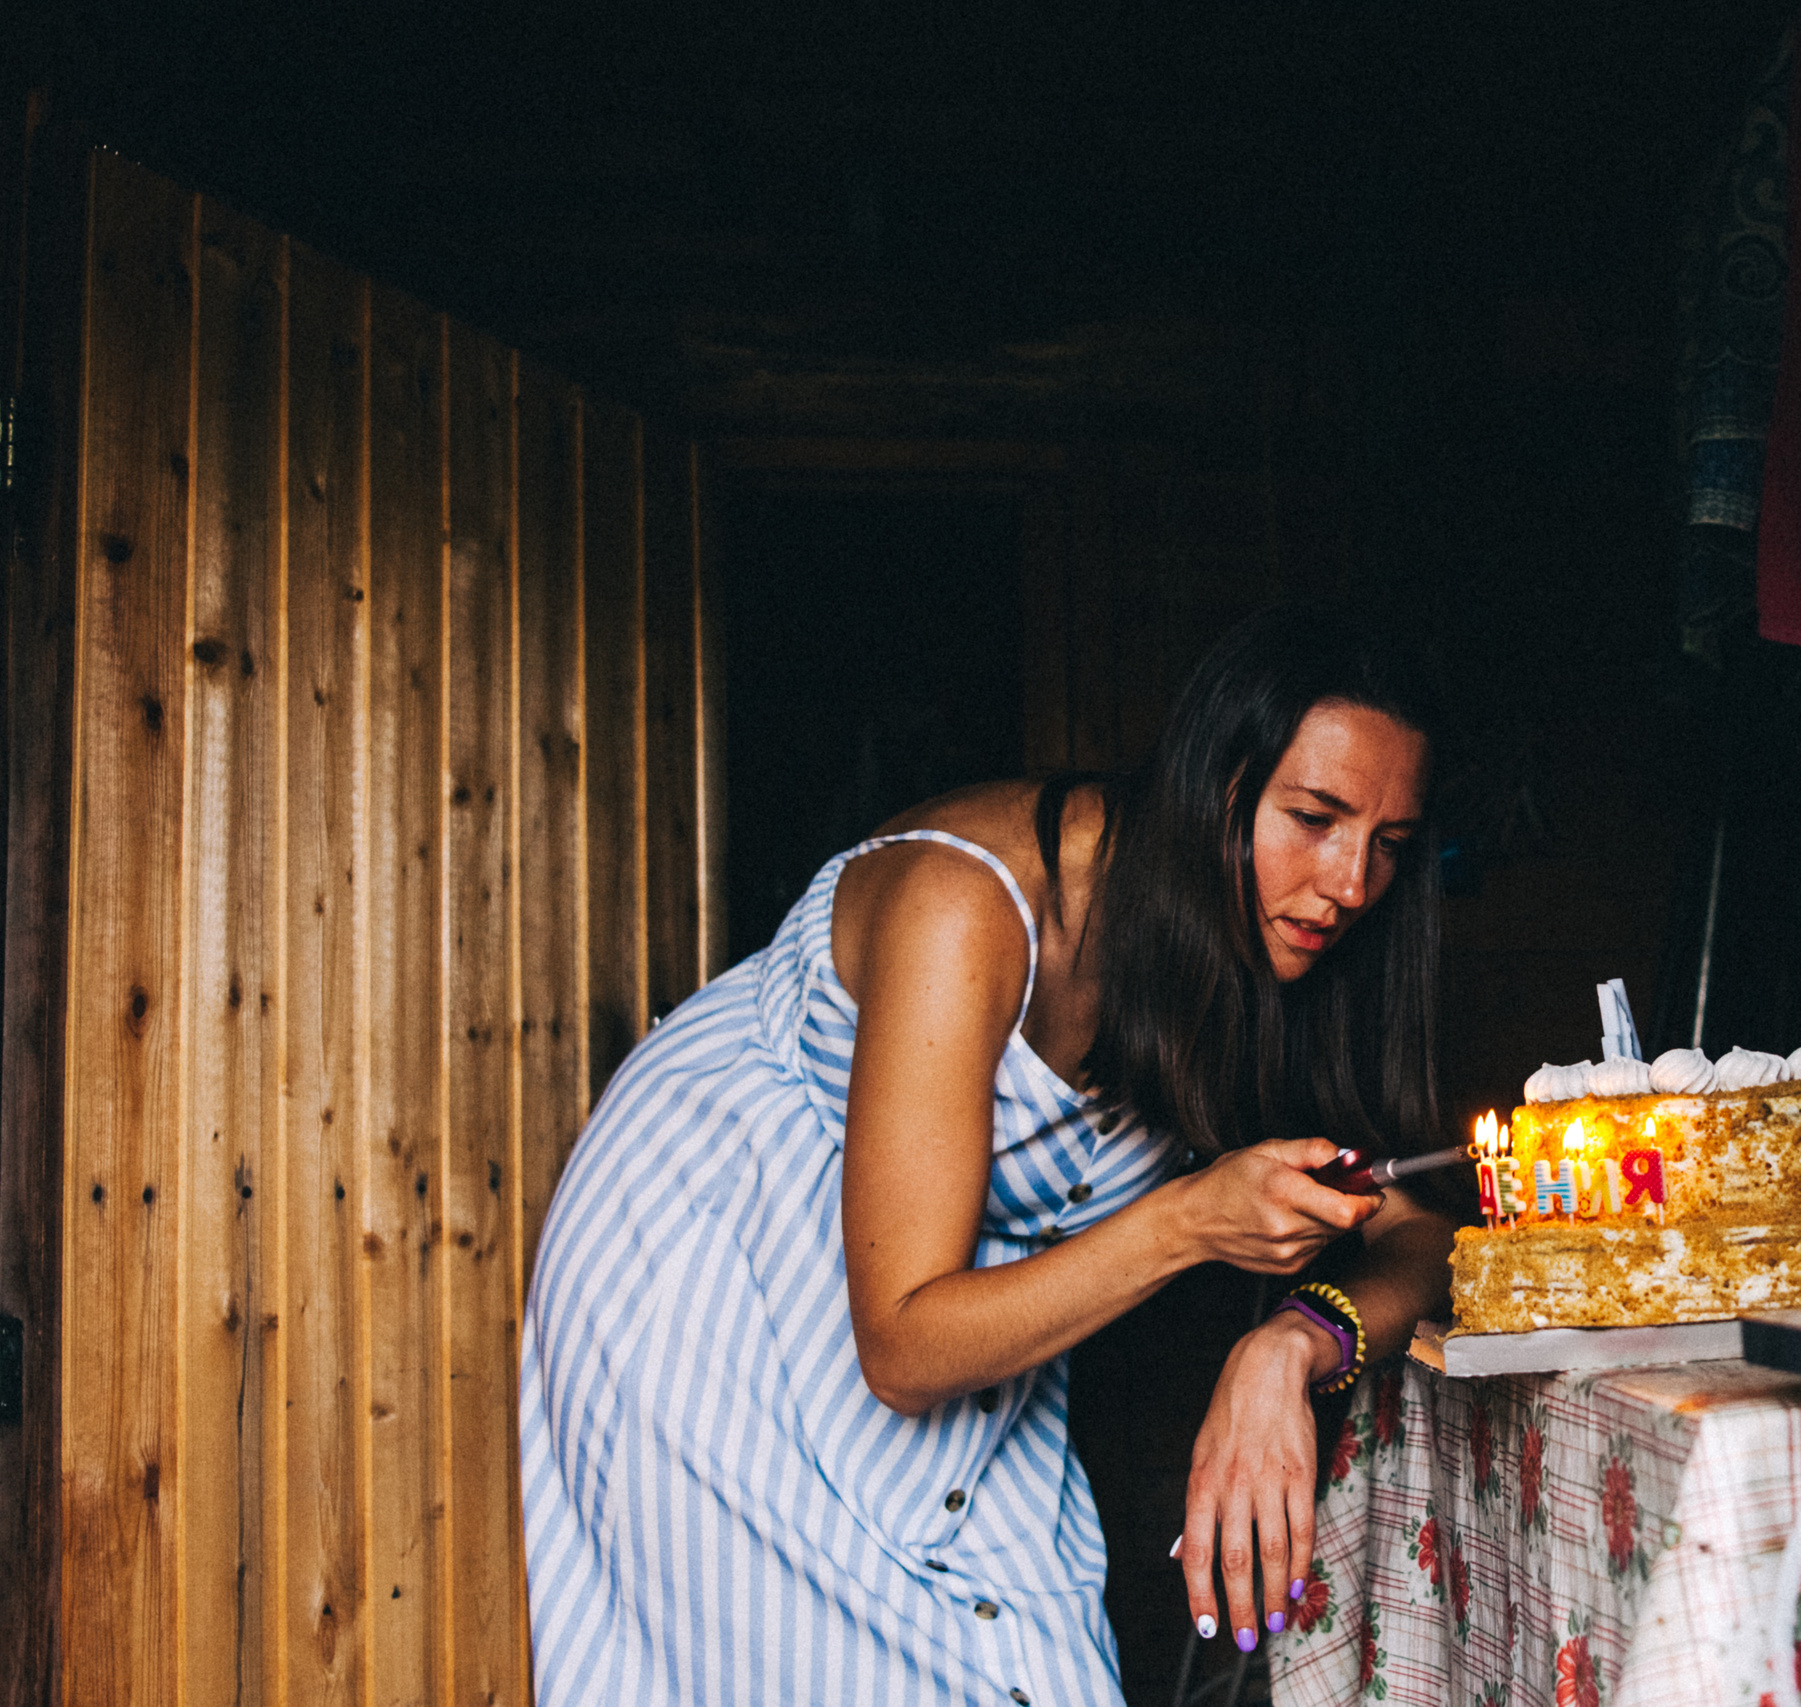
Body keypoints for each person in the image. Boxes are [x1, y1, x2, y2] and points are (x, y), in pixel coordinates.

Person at [521, 606, 1464, 1706]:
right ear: (1212, 787)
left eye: (1389, 847)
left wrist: (1294, 1349)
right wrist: (1190, 1219)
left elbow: (1420, 1229)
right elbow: (906, 1350)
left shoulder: (1279, 949)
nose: (1350, 883)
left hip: (960, 1319)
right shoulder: (968, 903)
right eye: (1312, 819)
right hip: (706, 1274)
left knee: (1022, 1664)